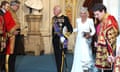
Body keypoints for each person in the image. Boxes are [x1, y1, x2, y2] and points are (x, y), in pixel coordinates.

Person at [92, 3, 119, 72]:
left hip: (109, 56)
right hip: (104, 55)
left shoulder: (110, 20)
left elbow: (110, 40)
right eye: (95, 15)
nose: (96, 17)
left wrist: (111, 54)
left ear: (103, 11)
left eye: (97, 14)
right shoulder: (104, 20)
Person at [71, 7, 95, 72]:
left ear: (86, 14)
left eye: (84, 13)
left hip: (85, 41)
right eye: (81, 13)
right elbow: (78, 29)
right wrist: (71, 30)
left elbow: (93, 31)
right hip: (79, 41)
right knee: (78, 54)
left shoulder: (90, 20)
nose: (82, 14)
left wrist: (89, 34)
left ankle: (85, 69)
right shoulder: (78, 20)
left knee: (85, 55)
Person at [52, 5, 73, 72]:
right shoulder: (53, 18)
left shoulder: (65, 18)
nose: (53, 11)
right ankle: (59, 70)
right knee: (56, 57)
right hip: (55, 41)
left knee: (61, 58)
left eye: (54, 10)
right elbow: (53, 31)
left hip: (62, 41)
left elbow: (70, 29)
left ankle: (60, 70)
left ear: (58, 10)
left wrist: (65, 37)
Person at [0, 1, 17, 72]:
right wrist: (2, 40)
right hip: (1, 37)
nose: (8, 8)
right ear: (3, 6)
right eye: (7, 6)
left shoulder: (4, 13)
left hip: (4, 36)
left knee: (2, 55)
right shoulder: (1, 14)